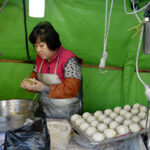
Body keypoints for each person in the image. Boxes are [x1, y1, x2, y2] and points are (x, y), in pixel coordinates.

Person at [21, 21, 83, 120]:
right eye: (35, 46)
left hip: (68, 116)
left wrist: (43, 88)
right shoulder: (39, 59)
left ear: (52, 43)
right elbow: (34, 79)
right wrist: (29, 84)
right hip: (45, 114)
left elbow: (71, 90)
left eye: (41, 46)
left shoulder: (70, 60)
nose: (38, 50)